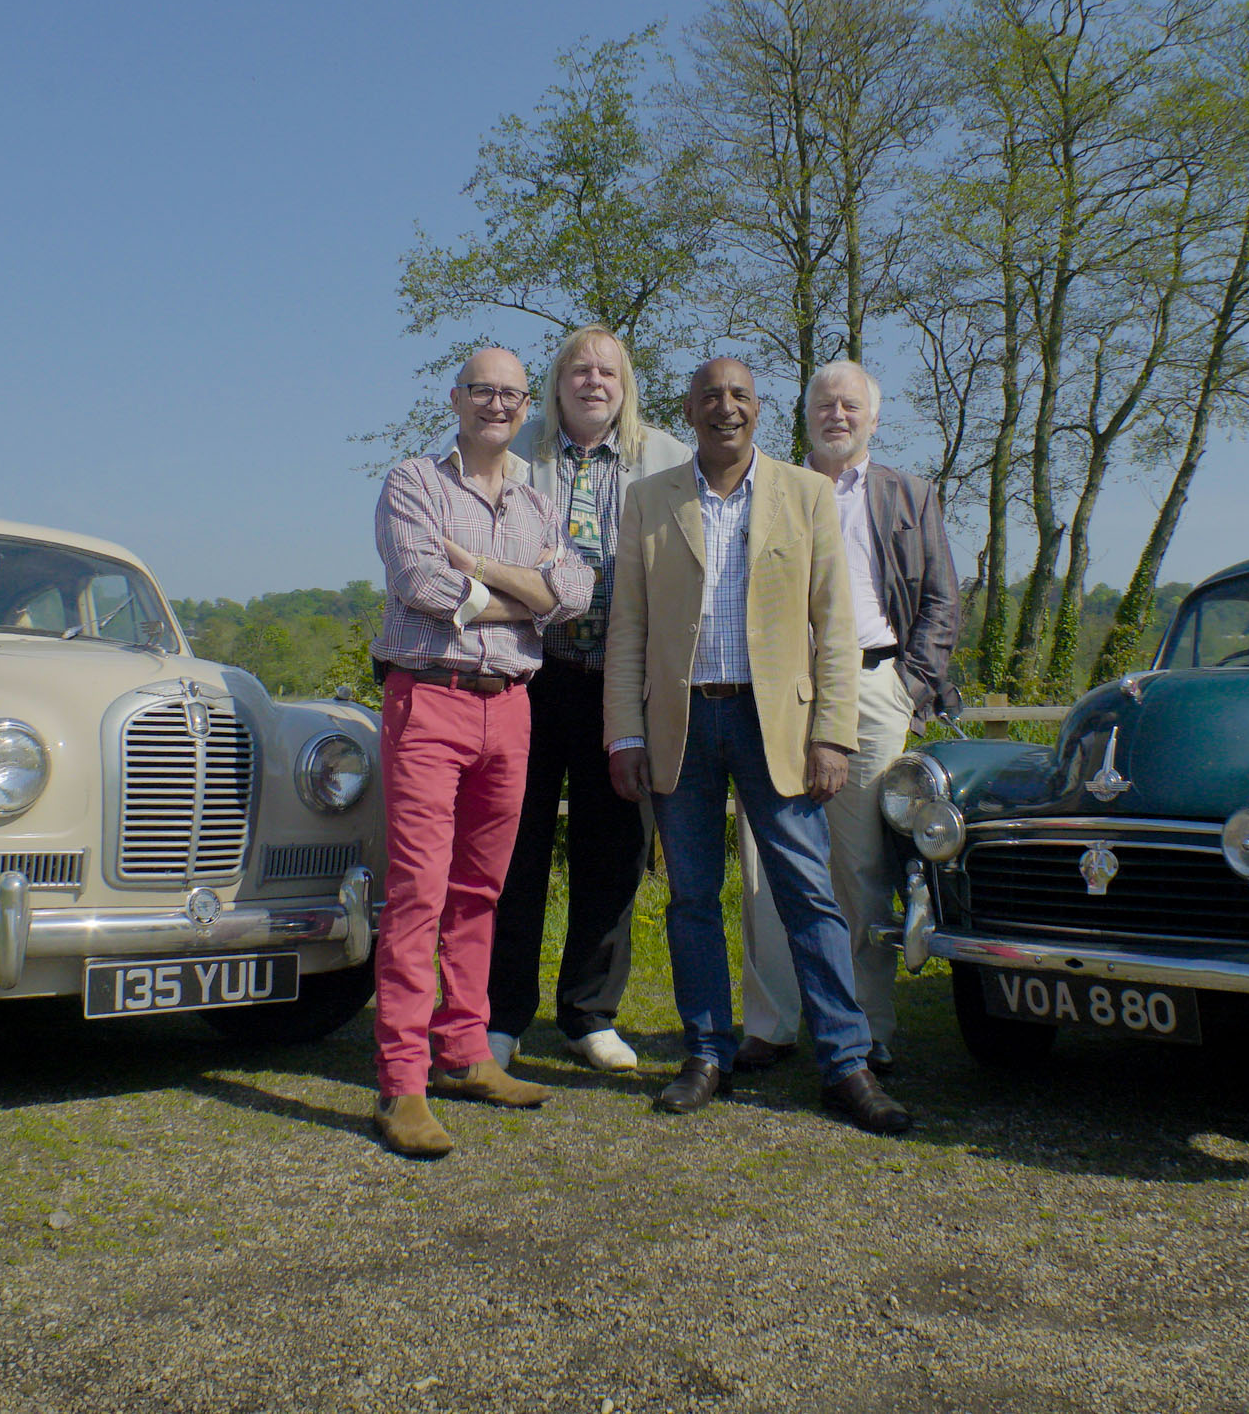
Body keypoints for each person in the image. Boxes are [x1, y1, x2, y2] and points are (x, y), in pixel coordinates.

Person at [601, 358, 911, 1135]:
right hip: (682, 728)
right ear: (691, 409)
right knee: (693, 899)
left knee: (809, 895)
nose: (725, 409)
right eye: (711, 397)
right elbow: (628, 628)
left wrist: (833, 733)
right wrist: (626, 732)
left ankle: (845, 1063)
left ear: (759, 410)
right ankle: (708, 1053)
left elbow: (834, 626)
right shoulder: (649, 500)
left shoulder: (803, 495)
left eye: (739, 396)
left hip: (778, 728)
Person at [366, 347, 594, 1159]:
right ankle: (402, 1080)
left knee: (480, 890)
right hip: (429, 698)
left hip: (511, 710)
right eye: (482, 390)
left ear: (525, 404)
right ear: (457, 398)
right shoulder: (413, 483)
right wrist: (523, 598)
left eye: (510, 393)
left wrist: (487, 581)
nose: (496, 404)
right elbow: (422, 585)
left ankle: (463, 1050)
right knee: (418, 893)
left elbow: (575, 593)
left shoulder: (538, 502)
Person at [733, 361, 962, 1074]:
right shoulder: (761, 488)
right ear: (803, 416)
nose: (838, 414)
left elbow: (942, 602)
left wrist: (909, 685)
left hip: (871, 686)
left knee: (860, 865)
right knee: (764, 864)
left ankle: (865, 1028)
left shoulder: (909, 495)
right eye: (825, 404)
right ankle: (772, 1025)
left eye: (851, 405)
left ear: (874, 417)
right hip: (770, 691)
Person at [487, 327, 691, 1073]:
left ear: (626, 383)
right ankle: (501, 1014)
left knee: (613, 854)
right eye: (580, 368)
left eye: (608, 370)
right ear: (558, 381)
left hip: (623, 686)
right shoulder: (517, 455)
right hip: (532, 678)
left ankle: (589, 1014)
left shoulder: (668, 458)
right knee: (516, 849)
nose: (594, 381)